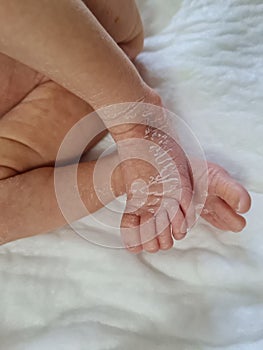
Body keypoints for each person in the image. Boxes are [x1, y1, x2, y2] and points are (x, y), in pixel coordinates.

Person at [0, 0, 251, 252]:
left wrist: (133, 120)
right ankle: (147, 162)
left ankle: (134, 114)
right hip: (80, 63)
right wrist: (134, 174)